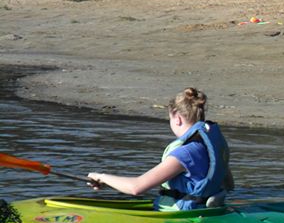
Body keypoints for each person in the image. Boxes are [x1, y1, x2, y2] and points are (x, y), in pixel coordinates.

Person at [87, 88, 234, 211]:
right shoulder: (211, 146)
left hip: (179, 215)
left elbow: (136, 188)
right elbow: (229, 185)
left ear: (177, 118)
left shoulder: (184, 153)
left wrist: (101, 177)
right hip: (204, 209)